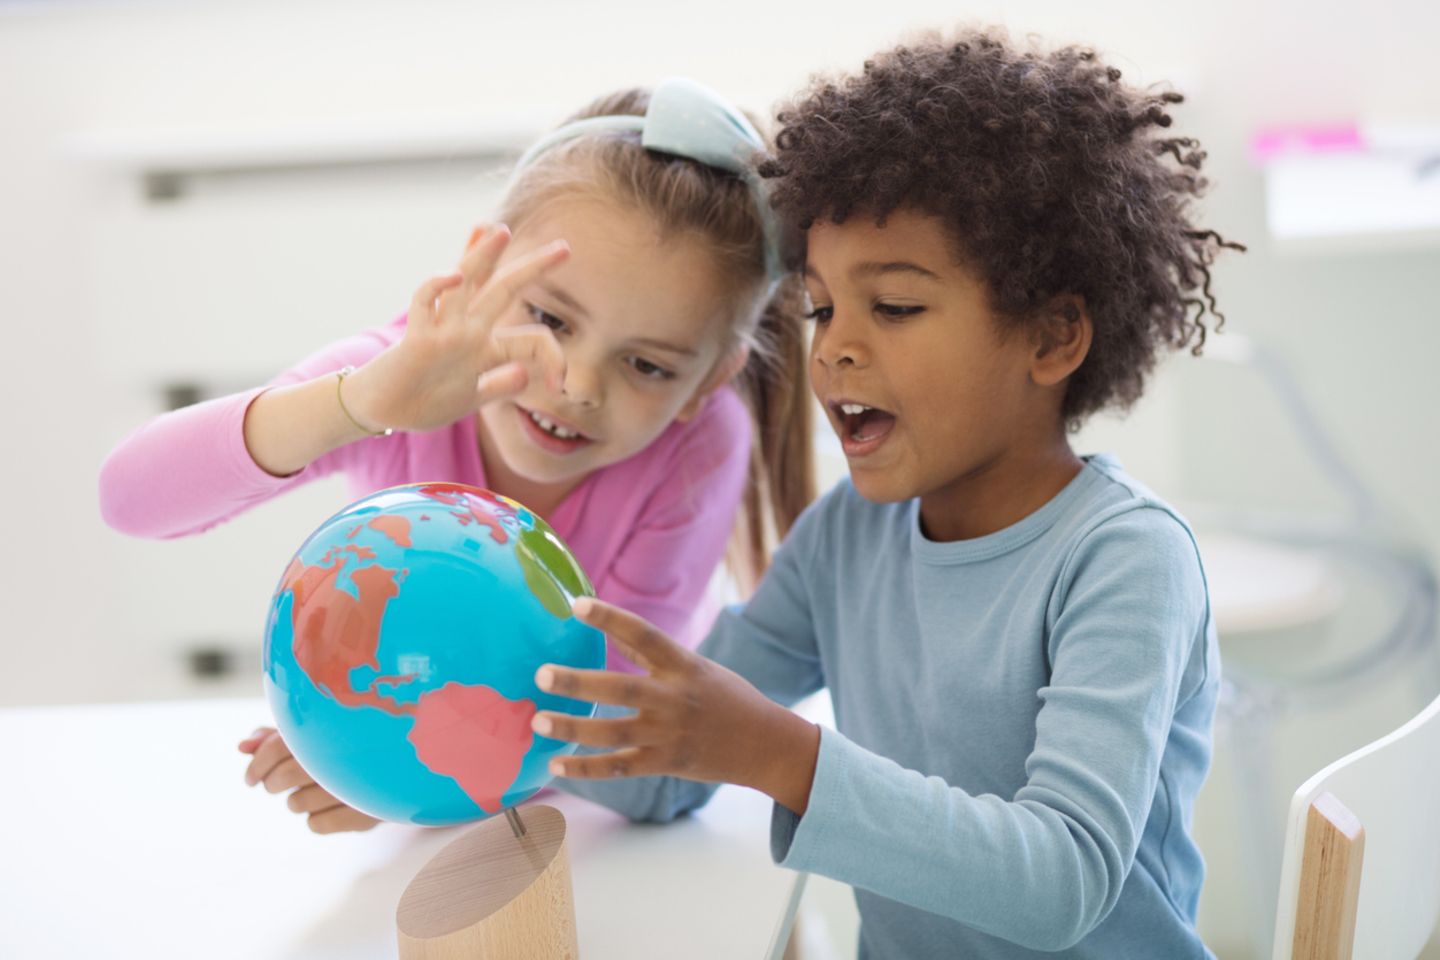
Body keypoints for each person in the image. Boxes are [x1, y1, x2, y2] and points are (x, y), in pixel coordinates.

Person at [533, 30, 1243, 958]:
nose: (833, 349)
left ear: (1053, 337)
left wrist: (781, 755)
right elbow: (667, 762)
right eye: (823, 307)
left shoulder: (1124, 562)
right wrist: (480, 726)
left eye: (896, 307)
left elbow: (1061, 879)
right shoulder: (845, 542)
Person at [98, 79, 814, 833]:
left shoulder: (700, 446)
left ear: (710, 382)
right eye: (549, 317)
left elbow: (614, 712)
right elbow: (128, 498)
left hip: (597, 824)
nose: (576, 384)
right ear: (480, 269)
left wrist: (399, 768)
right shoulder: (390, 378)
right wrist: (357, 405)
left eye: (648, 366)